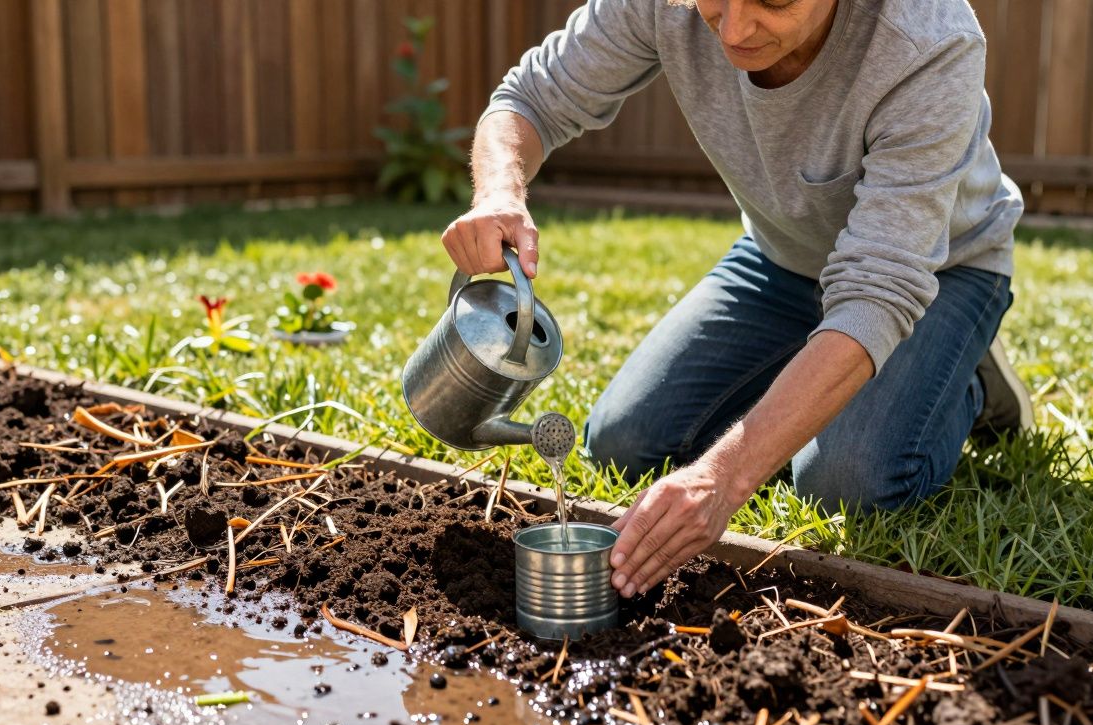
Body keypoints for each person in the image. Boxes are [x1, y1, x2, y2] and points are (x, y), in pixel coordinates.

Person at [439, 0, 1032, 599]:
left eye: (774, 2)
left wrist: (724, 477)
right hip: (782, 261)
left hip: (938, 271)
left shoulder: (929, 39)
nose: (735, 30)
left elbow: (878, 292)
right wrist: (498, 192)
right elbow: (531, 99)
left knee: (842, 484)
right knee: (623, 441)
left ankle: (968, 379)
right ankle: (815, 361)